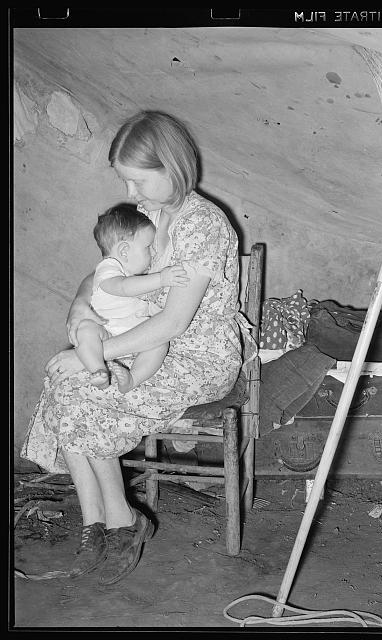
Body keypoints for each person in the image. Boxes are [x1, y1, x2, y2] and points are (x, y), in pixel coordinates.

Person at [21, 110, 246, 585]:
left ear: (173, 167)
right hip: (143, 341)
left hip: (197, 355)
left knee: (88, 392)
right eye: (125, 182)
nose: (130, 195)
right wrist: (81, 308)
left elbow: (173, 321)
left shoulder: (204, 225)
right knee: (65, 381)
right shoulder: (144, 215)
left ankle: (123, 522)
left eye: (139, 181)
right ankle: (96, 524)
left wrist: (98, 353)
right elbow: (105, 274)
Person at [76, 203, 189, 393]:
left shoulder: (133, 275)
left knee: (160, 342)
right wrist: (161, 279)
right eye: (147, 248)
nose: (152, 253)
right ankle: (98, 370)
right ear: (124, 251)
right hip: (104, 329)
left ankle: (133, 378)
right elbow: (123, 288)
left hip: (130, 331)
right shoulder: (108, 269)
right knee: (85, 330)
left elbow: (145, 305)